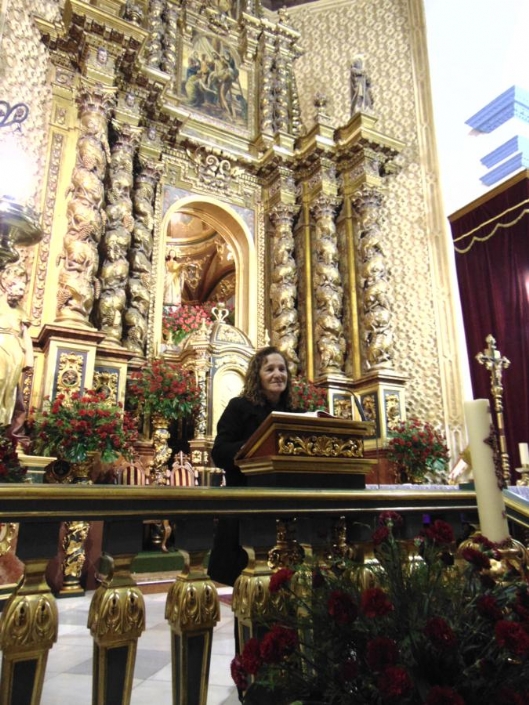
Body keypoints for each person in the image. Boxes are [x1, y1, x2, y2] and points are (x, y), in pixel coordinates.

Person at [208, 345, 299, 586]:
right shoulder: (239, 407)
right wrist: (256, 445)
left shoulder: (294, 412)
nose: (278, 374)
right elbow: (219, 451)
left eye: (282, 369)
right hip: (247, 504)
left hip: (287, 508)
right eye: (270, 369)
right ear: (256, 376)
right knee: (248, 583)